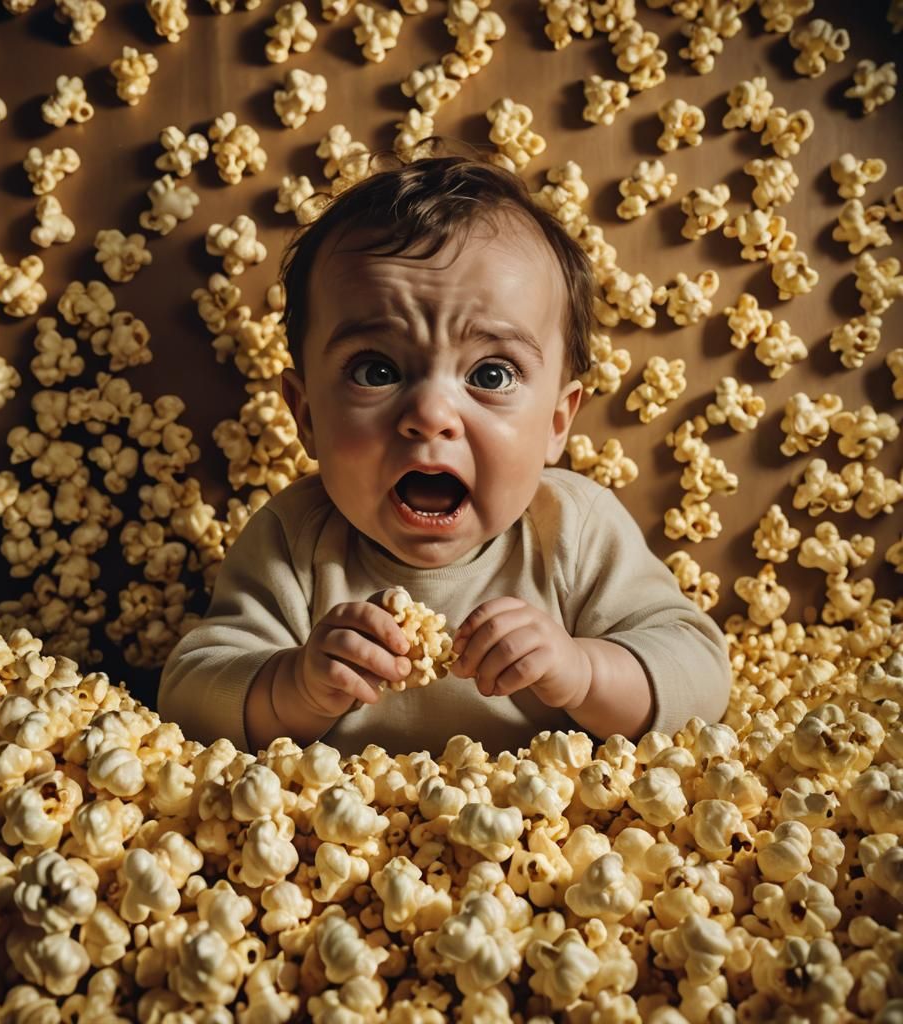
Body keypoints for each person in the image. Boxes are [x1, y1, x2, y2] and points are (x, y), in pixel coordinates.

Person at [159, 141, 731, 757]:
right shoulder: (291, 543)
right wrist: (292, 686)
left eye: (490, 375)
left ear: (557, 423)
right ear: (306, 415)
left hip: (543, 838)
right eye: (376, 371)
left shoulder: (576, 531)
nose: (430, 415)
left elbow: (699, 669)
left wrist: (586, 671)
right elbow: (190, 691)